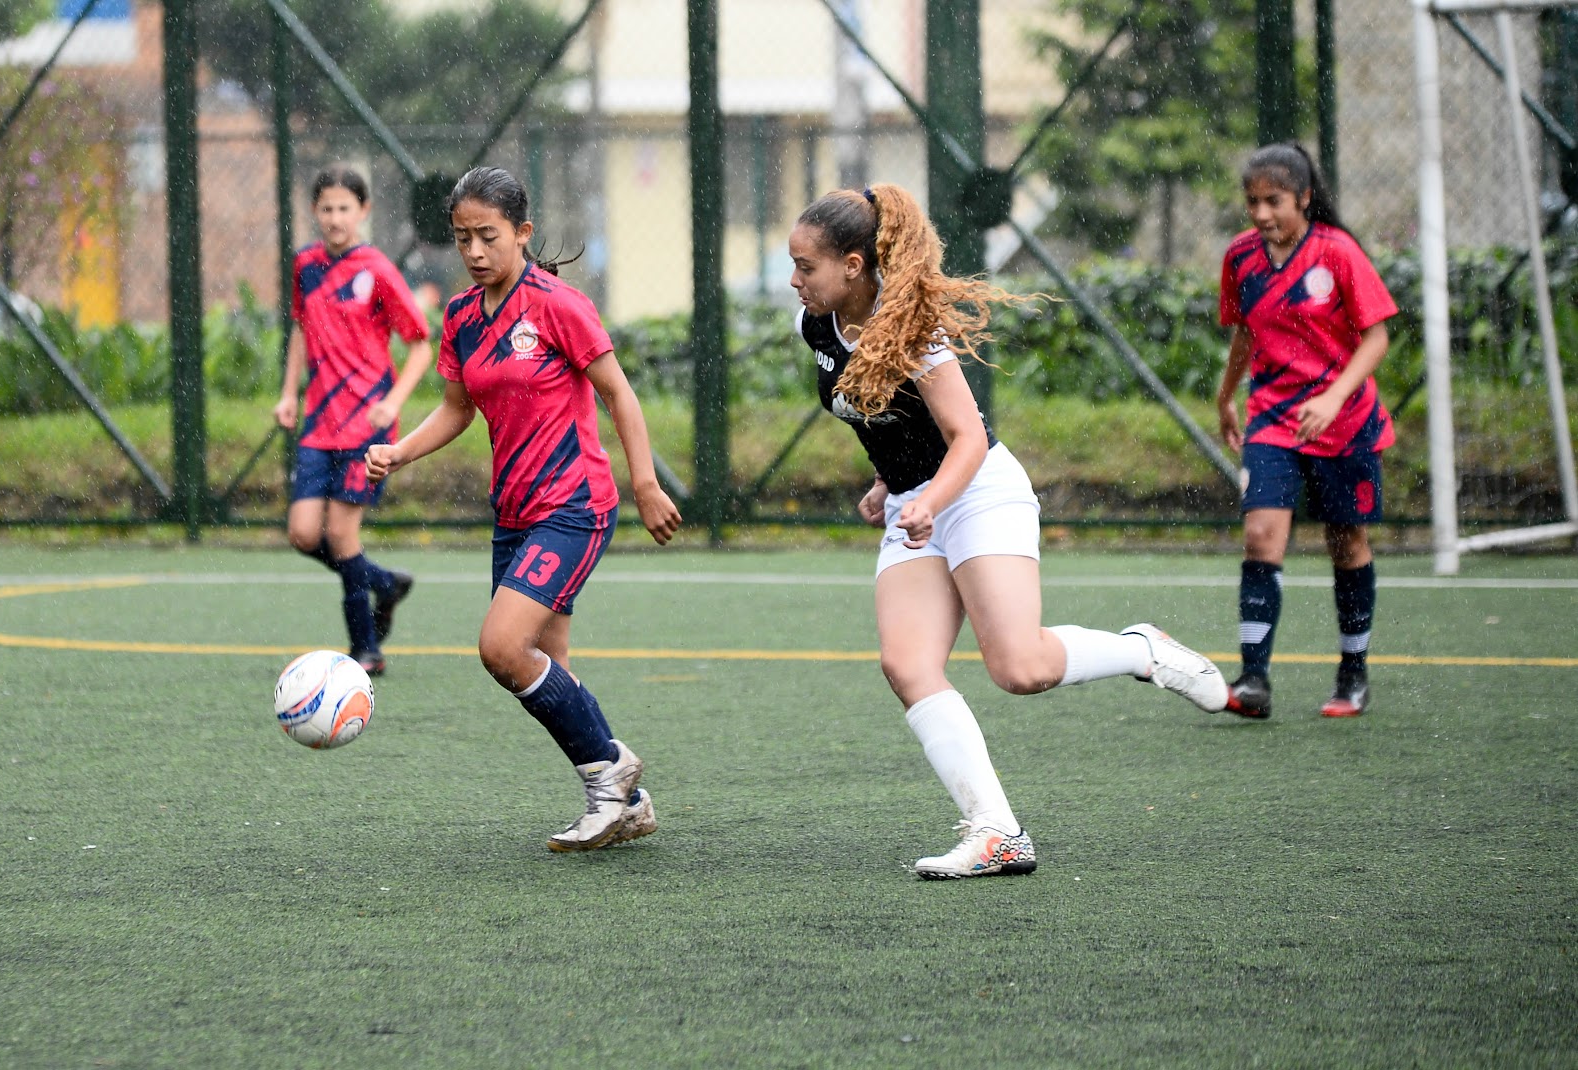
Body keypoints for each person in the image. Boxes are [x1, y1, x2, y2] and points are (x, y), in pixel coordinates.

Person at [788, 183, 1229, 881]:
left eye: (805, 266)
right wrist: (887, 483)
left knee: (1019, 668)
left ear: (851, 265)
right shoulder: (815, 326)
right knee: (906, 665)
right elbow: (881, 417)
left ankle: (1140, 649)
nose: (794, 280)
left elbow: (966, 438)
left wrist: (930, 497)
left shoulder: (917, 333)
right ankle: (995, 831)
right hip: (916, 502)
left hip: (976, 492)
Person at [365, 167, 681, 853]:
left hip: (573, 504)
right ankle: (623, 799)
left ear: (522, 233)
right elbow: (455, 409)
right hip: (513, 512)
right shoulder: (459, 318)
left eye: (488, 236)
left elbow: (619, 395)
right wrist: (400, 451)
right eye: (462, 239)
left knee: (501, 648)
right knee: (546, 661)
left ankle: (609, 773)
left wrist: (645, 484)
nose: (475, 252)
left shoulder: (557, 304)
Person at [1215, 143, 1398, 720]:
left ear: (1304, 198)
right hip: (1273, 417)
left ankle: (1352, 673)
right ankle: (1253, 680)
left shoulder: (1337, 252)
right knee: (1261, 536)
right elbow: (1245, 332)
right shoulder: (1241, 258)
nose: (1262, 214)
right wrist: (1226, 397)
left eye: (1274, 201)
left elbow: (1377, 337)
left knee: (1347, 545)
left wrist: (1334, 396)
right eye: (1252, 202)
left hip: (1345, 423)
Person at [274, 166, 432, 677]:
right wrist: (288, 393)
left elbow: (419, 345)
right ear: (315, 212)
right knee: (302, 534)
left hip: (368, 425)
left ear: (363, 212)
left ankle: (366, 648)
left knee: (341, 535)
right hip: (319, 423)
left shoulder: (378, 269)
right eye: (326, 208)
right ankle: (383, 583)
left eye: (345, 208)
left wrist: (394, 402)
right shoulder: (305, 265)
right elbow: (300, 330)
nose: (335, 218)